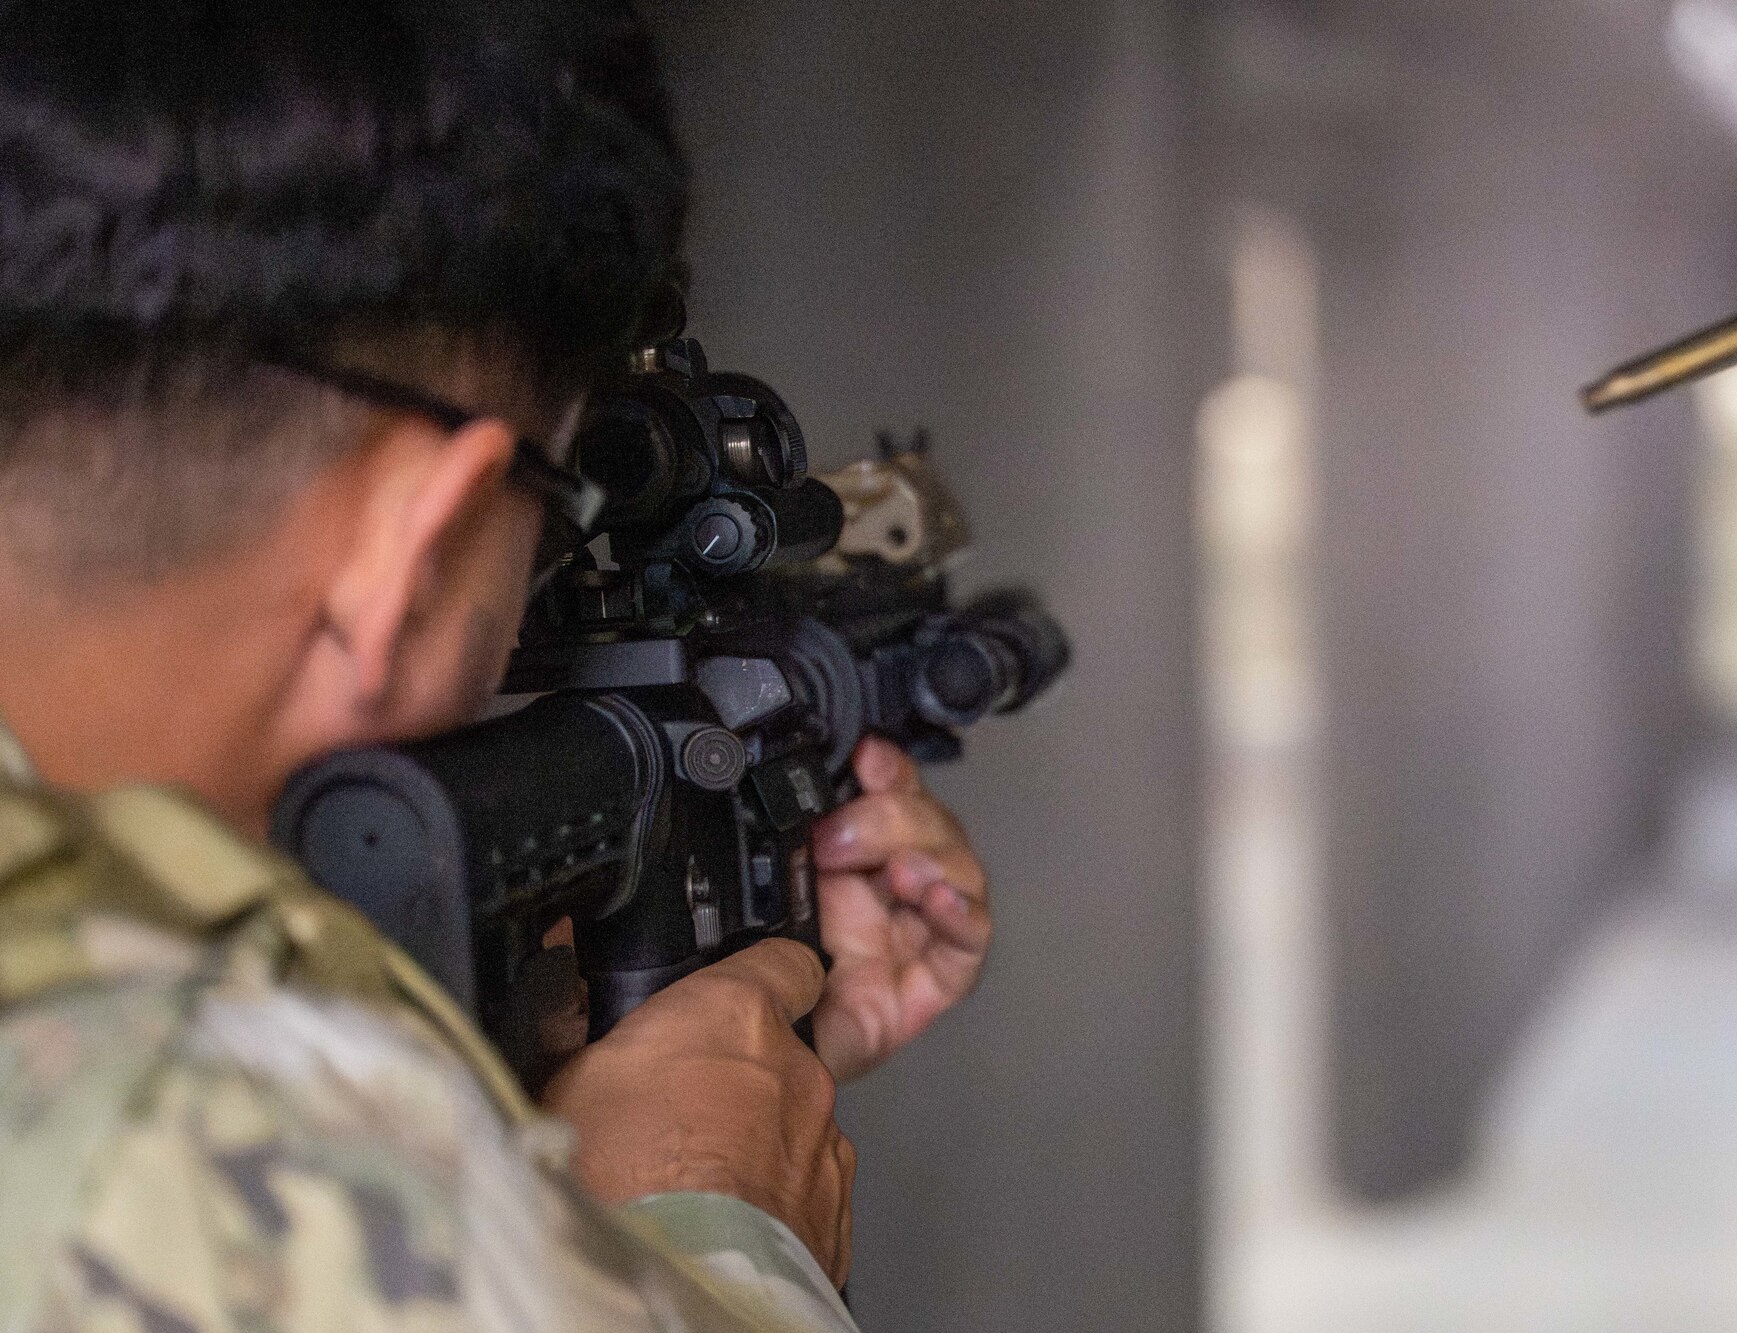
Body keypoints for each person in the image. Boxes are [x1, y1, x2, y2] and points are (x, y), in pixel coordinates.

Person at [0, 2, 995, 1329]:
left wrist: (539, 1096)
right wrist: (711, 1232)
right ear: (409, 543)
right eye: (548, 505)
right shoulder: (182, 1165)